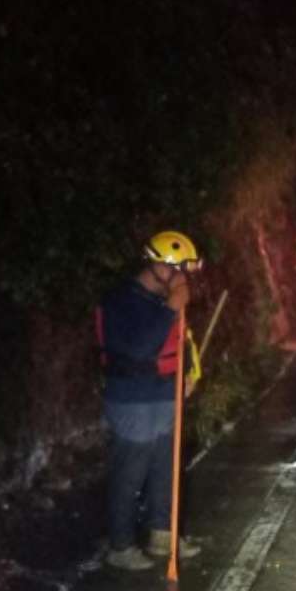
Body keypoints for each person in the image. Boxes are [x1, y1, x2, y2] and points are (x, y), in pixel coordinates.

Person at [96, 230, 203, 570]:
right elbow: (139, 347)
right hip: (132, 399)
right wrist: (171, 307)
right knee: (130, 473)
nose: (183, 279)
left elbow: (177, 341)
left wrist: (185, 374)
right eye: (180, 270)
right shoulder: (121, 301)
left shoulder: (161, 301)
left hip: (163, 394)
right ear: (160, 266)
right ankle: (121, 545)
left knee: (165, 469)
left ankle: (163, 534)